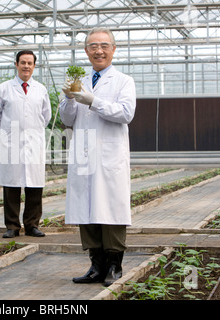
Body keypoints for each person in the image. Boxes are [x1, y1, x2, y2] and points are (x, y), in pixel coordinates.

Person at [60, 28, 136, 286]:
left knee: (110, 210)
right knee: (86, 210)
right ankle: (96, 265)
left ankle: (115, 265)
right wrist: (70, 99)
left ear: (113, 49)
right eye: (93, 46)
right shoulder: (78, 78)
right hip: (84, 154)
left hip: (109, 155)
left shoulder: (123, 81)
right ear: (86, 51)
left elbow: (126, 113)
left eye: (104, 45)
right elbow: (67, 120)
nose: (98, 50)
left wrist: (93, 100)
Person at [0, 50, 52, 238]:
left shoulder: (41, 89)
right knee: (11, 186)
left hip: (34, 143)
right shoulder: (4, 88)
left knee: (34, 186)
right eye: (23, 62)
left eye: (30, 63)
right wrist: (8, 131)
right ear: (16, 64)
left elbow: (46, 116)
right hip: (11, 143)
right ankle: (12, 226)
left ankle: (32, 225)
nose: (26, 66)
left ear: (34, 66)